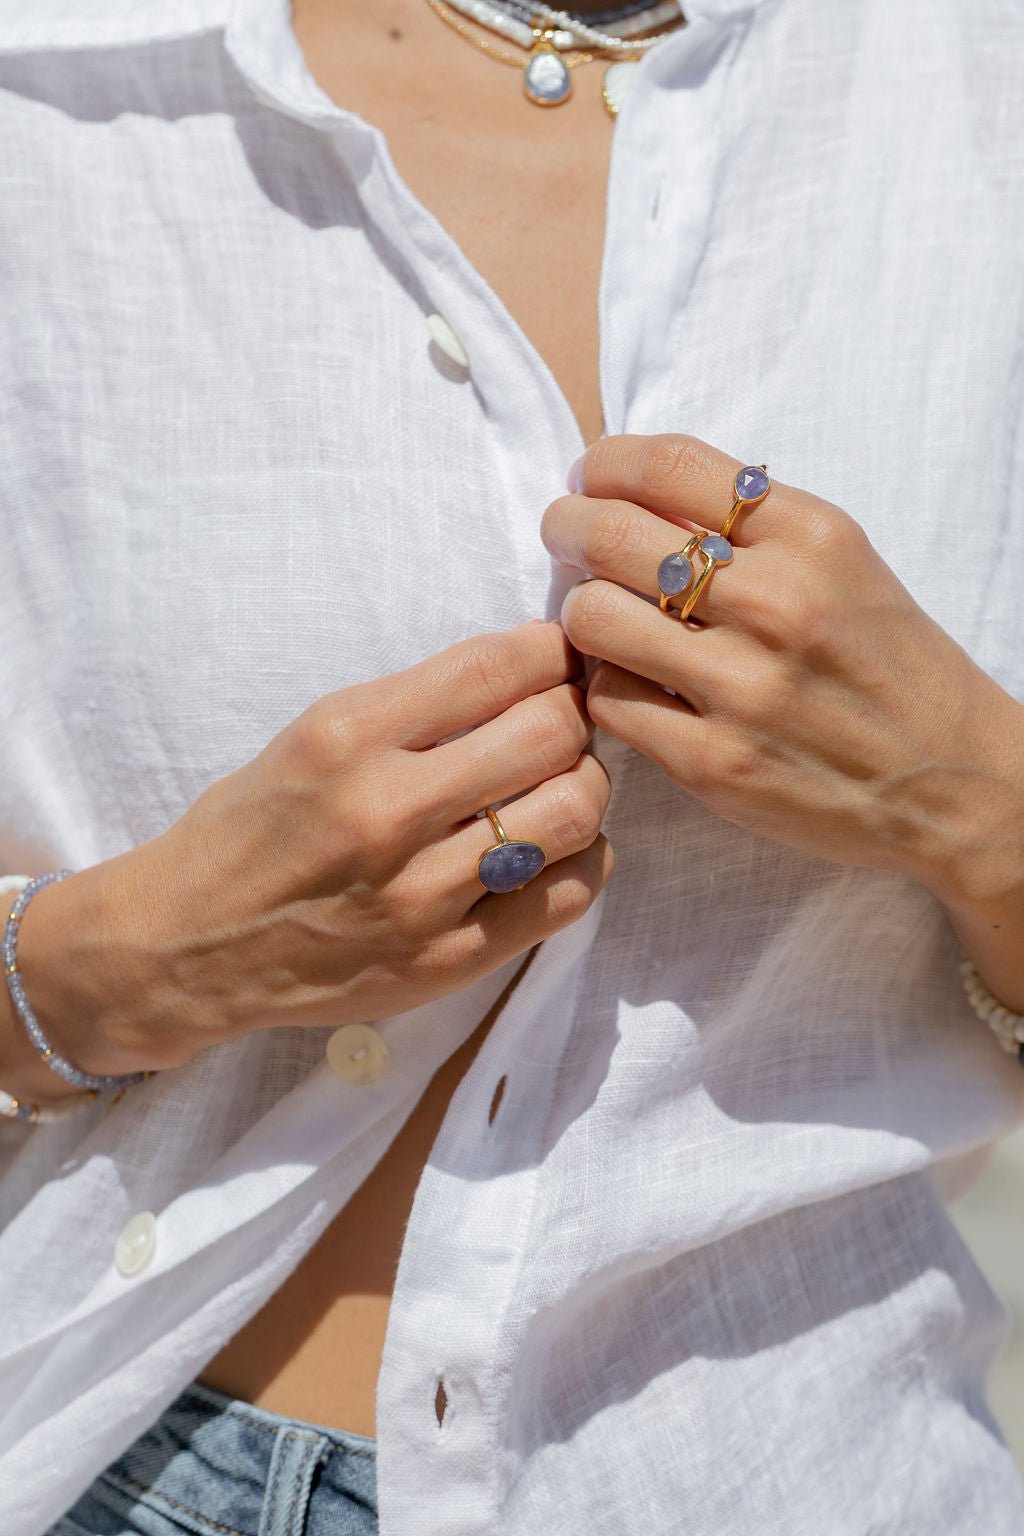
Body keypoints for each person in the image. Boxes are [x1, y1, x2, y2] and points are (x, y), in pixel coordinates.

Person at [1, 0, 1023, 1531]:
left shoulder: (976, 104)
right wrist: (129, 961)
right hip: (115, 1459)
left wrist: (979, 803)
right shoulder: (52, 99)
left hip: (811, 1476)